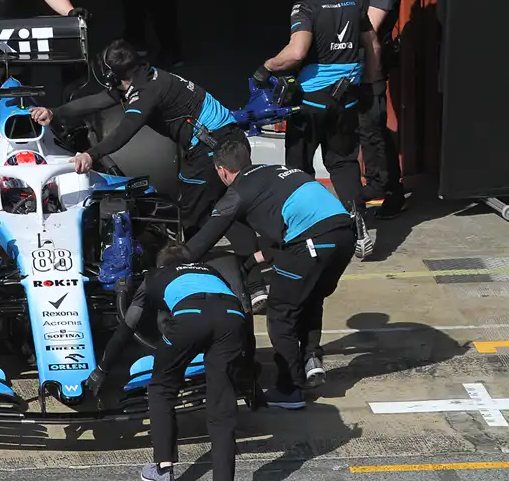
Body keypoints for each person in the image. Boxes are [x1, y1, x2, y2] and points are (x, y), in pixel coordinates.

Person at [30, 39, 268, 304]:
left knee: (190, 219)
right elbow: (100, 101)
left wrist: (90, 154)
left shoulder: (147, 93)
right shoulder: (144, 76)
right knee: (229, 210)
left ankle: (187, 280)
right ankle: (256, 284)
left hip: (210, 152)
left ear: (112, 74)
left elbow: (125, 130)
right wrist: (55, 112)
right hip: (228, 142)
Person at [185, 139, 355, 409]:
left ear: (222, 170)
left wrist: (174, 261)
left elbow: (204, 238)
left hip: (312, 241)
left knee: (281, 314)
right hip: (345, 234)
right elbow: (289, 226)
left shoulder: (238, 191)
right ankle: (311, 359)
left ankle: (290, 389)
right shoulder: (275, 171)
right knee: (309, 298)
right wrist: (255, 259)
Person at [251, 0, 380, 259]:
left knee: (297, 167)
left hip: (310, 103)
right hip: (346, 99)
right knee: (344, 162)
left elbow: (296, 53)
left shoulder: (305, 7)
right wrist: (370, 83)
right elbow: (372, 44)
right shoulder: (353, 0)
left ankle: (304, 229)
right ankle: (358, 225)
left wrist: (266, 67)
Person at [85, 245, 249, 481]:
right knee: (222, 405)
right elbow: (241, 306)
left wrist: (103, 368)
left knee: (161, 388)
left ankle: (163, 469)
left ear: (161, 265)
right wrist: (248, 368)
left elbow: (127, 326)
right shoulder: (210, 271)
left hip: (189, 317)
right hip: (232, 319)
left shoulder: (155, 276)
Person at [338, 0, 407, 219]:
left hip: (372, 59)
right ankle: (383, 186)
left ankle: (387, 189)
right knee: (365, 127)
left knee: (373, 127)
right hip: (354, 58)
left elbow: (373, 23)